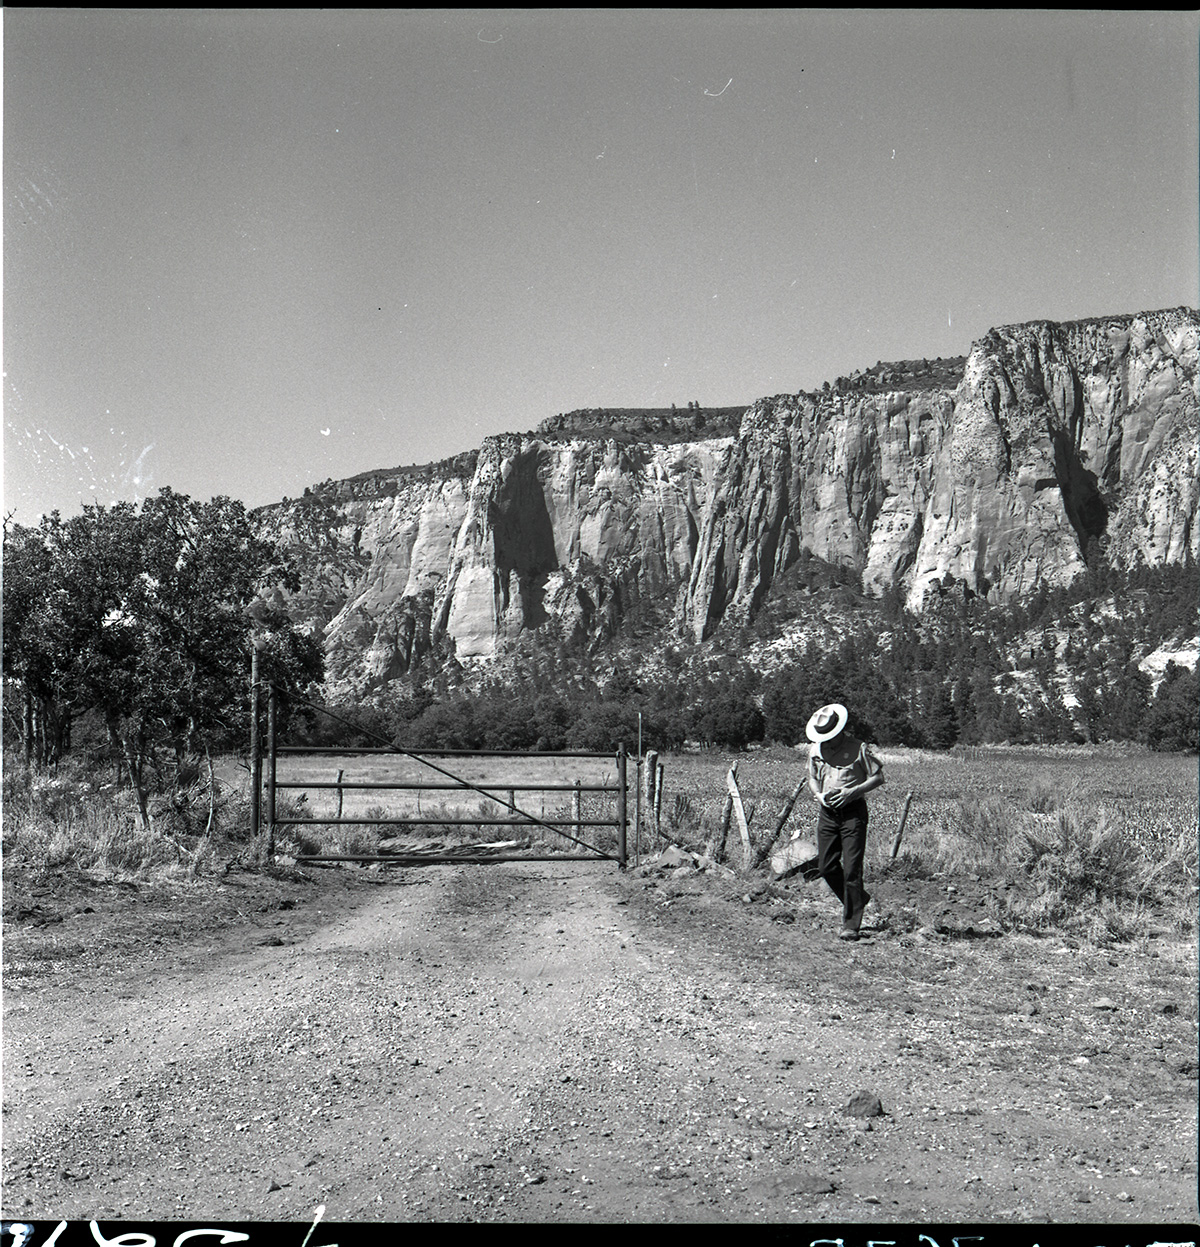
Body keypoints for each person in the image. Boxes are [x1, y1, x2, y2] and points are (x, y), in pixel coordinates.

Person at [805, 703, 885, 941]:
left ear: (839, 730)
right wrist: (818, 795)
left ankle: (851, 925)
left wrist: (853, 791)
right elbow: (812, 778)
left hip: (853, 812)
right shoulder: (815, 750)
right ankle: (858, 899)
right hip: (828, 813)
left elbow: (878, 777)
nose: (826, 741)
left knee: (851, 869)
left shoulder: (859, 748)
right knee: (826, 866)